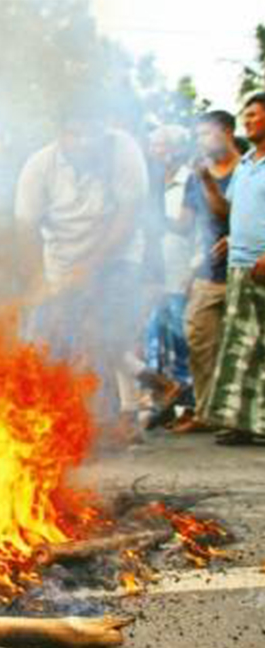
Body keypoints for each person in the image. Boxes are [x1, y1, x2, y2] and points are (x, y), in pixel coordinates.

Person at [15, 102, 150, 439]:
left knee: (103, 332)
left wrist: (92, 267)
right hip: (61, 262)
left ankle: (111, 422)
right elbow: (26, 229)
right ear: (60, 135)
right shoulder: (39, 166)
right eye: (77, 133)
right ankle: (51, 424)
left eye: (94, 133)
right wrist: (40, 283)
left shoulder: (123, 150)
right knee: (48, 339)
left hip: (117, 256)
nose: (87, 142)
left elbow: (127, 218)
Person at [200, 93, 265, 446]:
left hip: (263, 264)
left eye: (255, 114)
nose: (249, 120)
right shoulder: (247, 164)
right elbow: (230, 212)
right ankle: (241, 422)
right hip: (240, 265)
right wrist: (209, 184)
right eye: (247, 114)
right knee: (241, 346)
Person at [177, 110, 239, 434]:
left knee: (244, 348)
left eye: (206, 133)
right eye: (198, 135)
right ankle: (206, 411)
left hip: (245, 270)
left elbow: (229, 215)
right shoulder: (194, 176)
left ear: (227, 131)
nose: (201, 141)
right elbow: (186, 225)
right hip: (207, 272)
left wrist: (206, 181)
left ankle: (240, 418)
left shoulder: (248, 170)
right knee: (198, 338)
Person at [140, 124, 194, 426]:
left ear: (176, 148)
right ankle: (163, 404)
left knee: (182, 340)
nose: (154, 151)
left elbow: (191, 228)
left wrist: (193, 272)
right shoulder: (154, 182)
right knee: (156, 341)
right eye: (153, 146)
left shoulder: (191, 181)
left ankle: (190, 408)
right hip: (157, 273)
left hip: (181, 271)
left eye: (160, 146)